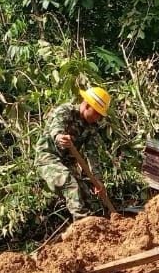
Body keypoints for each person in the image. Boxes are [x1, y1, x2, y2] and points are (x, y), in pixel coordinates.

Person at [35, 86, 111, 220]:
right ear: (87, 106)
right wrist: (59, 137)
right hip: (48, 158)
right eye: (96, 113)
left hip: (67, 163)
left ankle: (97, 229)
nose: (98, 118)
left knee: (86, 194)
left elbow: (92, 155)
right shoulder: (66, 111)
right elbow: (56, 128)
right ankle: (84, 228)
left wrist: (97, 181)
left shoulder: (91, 127)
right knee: (70, 184)